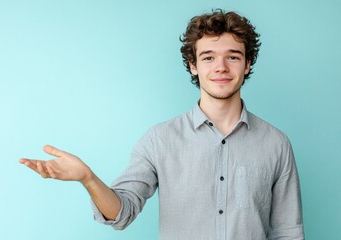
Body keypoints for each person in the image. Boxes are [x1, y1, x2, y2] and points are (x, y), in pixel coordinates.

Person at [20, 9, 304, 240]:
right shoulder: (159, 139)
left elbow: (287, 232)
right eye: (208, 57)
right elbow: (122, 212)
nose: (221, 67)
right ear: (193, 65)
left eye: (233, 56)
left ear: (247, 64)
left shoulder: (276, 143)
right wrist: (88, 179)